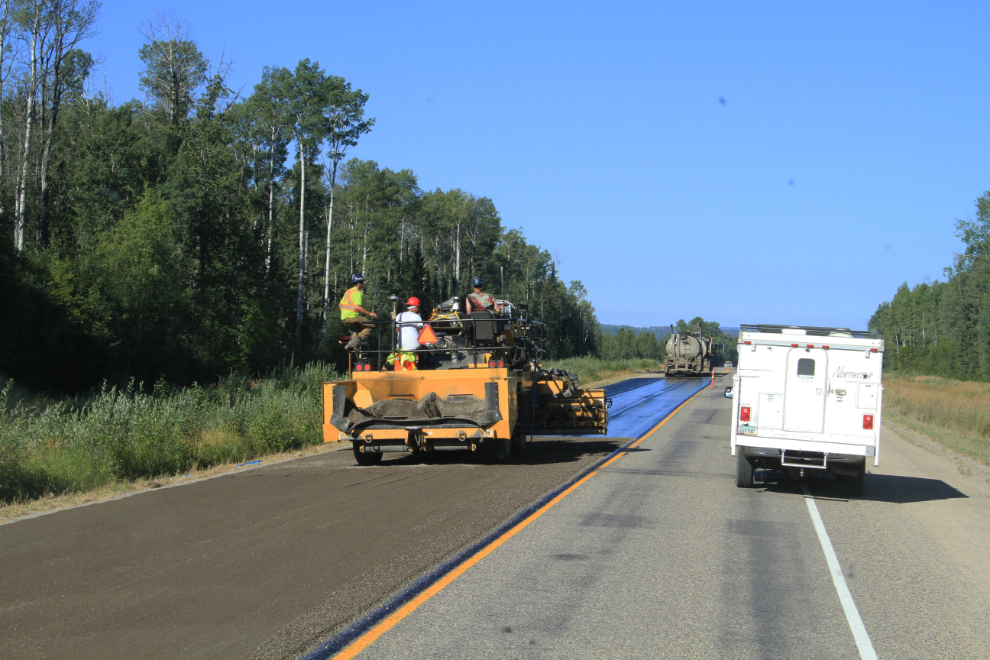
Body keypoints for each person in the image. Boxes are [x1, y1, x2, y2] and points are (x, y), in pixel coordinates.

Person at [339, 274, 377, 351]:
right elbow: (357, 307)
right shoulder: (358, 293)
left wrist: (343, 314)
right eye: (362, 282)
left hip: (344, 317)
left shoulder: (348, 291)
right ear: (359, 283)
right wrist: (370, 313)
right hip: (352, 316)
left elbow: (340, 304)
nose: (363, 284)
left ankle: (351, 343)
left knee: (361, 328)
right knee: (371, 325)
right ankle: (354, 342)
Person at [393, 297, 425, 370]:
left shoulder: (399, 315)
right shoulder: (417, 316)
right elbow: (421, 332)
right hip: (414, 346)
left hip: (401, 346)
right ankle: (422, 369)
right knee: (424, 351)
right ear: (413, 308)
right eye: (418, 307)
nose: (418, 309)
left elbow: (396, 330)